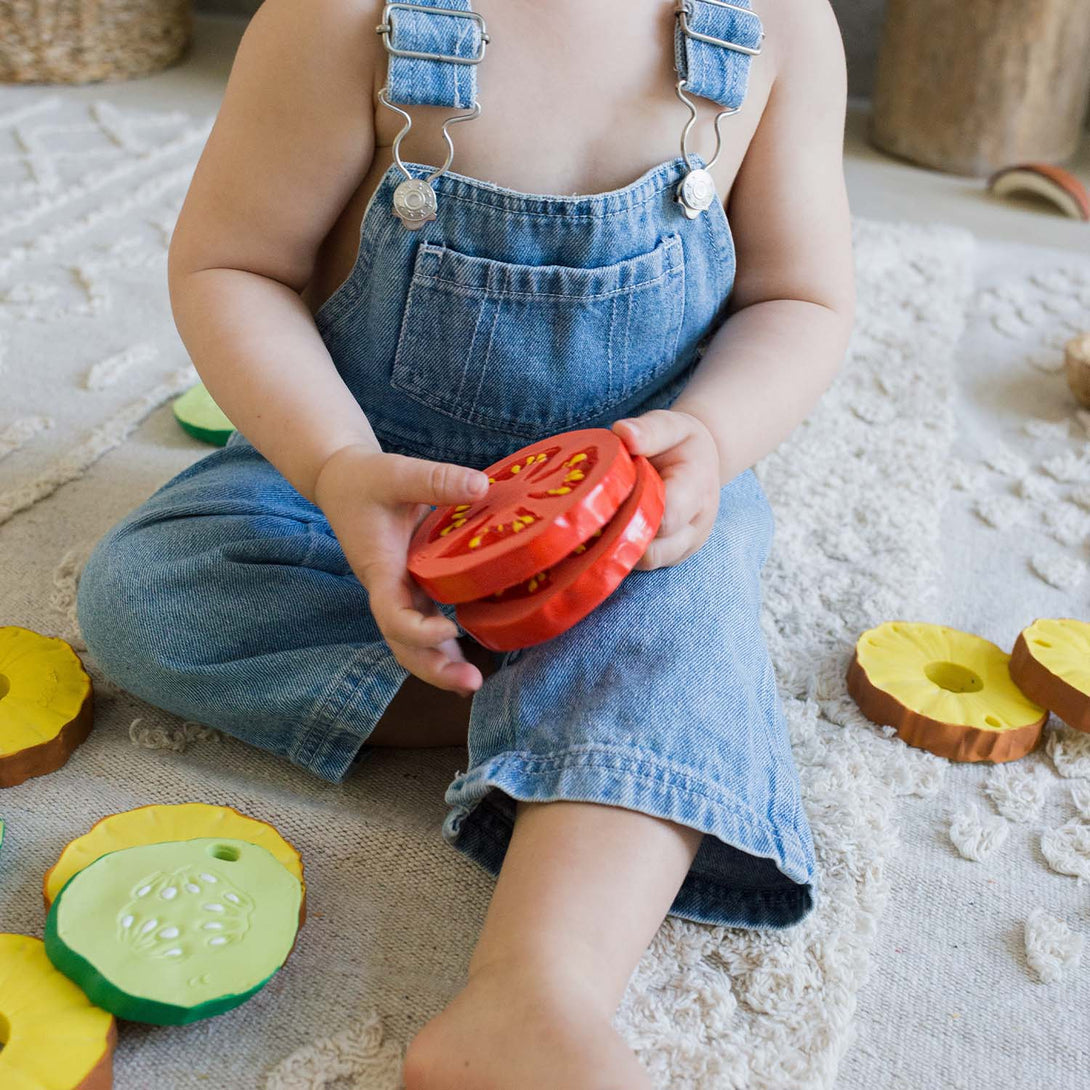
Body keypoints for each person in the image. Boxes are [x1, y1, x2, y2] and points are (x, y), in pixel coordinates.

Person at [76, 1, 855, 1085]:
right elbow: (232, 268)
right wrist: (335, 466)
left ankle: (538, 985)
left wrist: (713, 439)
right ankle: (604, 710)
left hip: (635, 517)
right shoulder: (342, 20)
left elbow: (798, 296)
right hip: (381, 472)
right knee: (144, 594)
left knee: (686, 589)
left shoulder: (776, 27)